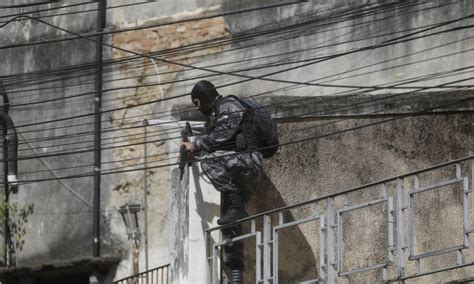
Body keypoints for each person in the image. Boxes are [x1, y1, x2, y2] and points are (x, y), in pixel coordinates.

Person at [181, 80, 264, 225]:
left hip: (250, 159)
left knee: (208, 161)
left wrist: (195, 146)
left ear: (199, 100)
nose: (198, 108)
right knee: (206, 158)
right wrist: (194, 153)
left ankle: (236, 207)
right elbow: (214, 145)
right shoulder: (214, 116)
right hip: (238, 162)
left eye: (197, 103)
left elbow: (222, 135)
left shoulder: (228, 105)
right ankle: (234, 206)